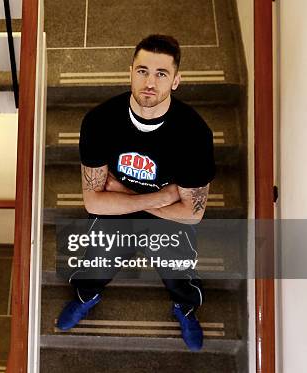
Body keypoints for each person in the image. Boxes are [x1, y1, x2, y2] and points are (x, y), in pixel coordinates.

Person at [56, 34, 216, 352]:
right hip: (138, 207)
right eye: (142, 71)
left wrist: (122, 192)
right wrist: (159, 197)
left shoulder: (195, 135)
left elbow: (192, 213)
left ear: (176, 81)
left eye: (161, 74)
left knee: (176, 267)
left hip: (158, 215)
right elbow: (93, 199)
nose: (150, 83)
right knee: (98, 257)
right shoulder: (99, 122)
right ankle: (87, 295)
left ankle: (184, 307)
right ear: (130, 71)